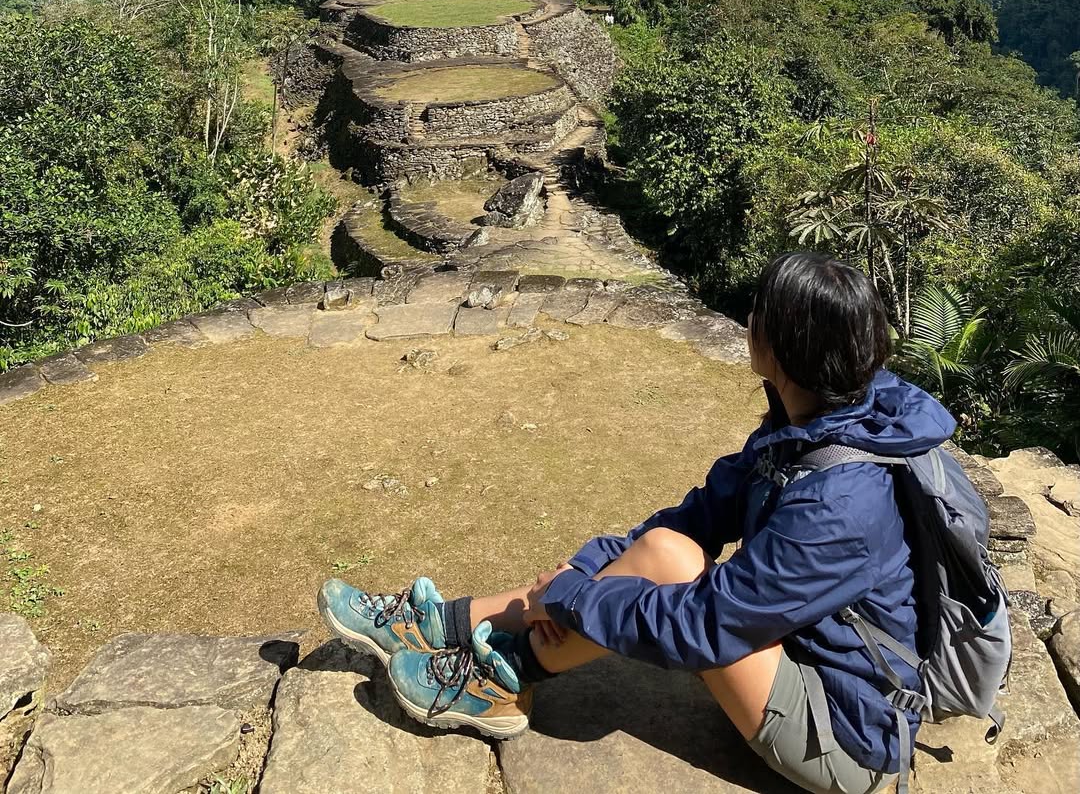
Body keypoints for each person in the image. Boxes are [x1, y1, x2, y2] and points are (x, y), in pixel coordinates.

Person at [319, 253, 954, 793]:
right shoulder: (807, 427)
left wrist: (574, 598)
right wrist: (583, 572)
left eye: (759, 311)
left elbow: (707, 624)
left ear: (786, 345)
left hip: (846, 731)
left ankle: (502, 679)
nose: (749, 321)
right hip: (794, 653)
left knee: (667, 569)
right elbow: (693, 519)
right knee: (666, 550)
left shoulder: (842, 501)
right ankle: (441, 624)